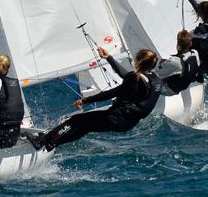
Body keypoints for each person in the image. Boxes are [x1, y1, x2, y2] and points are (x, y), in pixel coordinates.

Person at [32, 47, 160, 152]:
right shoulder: (155, 80)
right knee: (85, 127)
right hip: (128, 122)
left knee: (75, 120)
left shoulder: (134, 80)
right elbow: (125, 75)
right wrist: (109, 58)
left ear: (138, 61)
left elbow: (110, 93)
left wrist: (85, 100)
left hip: (116, 118)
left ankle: (42, 141)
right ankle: (53, 142)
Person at [155, 30, 201, 96]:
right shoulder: (195, 53)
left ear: (178, 46)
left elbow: (156, 73)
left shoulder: (175, 61)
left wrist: (161, 64)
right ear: (190, 43)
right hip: (185, 84)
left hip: (169, 90)